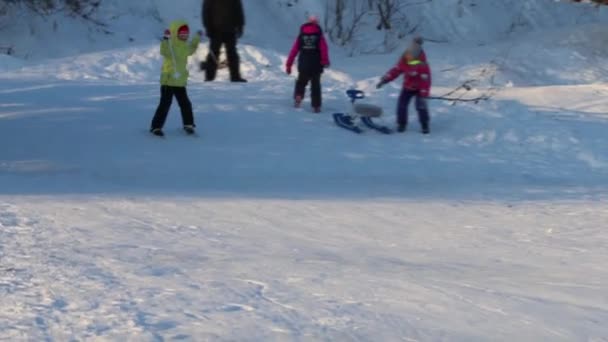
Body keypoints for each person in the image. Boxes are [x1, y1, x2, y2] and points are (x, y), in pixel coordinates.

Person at [150, 20, 201, 137]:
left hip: (180, 82)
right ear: (175, 33)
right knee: (165, 104)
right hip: (168, 81)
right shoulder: (170, 45)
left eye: (186, 35)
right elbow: (163, 51)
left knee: (185, 104)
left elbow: (192, 49)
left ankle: (188, 124)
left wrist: (197, 38)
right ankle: (156, 127)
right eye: (181, 34)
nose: (184, 36)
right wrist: (166, 39)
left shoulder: (184, 47)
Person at [376, 36, 432, 134]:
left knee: (420, 105)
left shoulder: (423, 65)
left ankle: (424, 124)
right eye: (409, 60)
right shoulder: (404, 60)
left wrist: (423, 94)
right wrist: (385, 79)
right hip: (408, 86)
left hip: (420, 88)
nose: (410, 63)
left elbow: (425, 81)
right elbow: (396, 71)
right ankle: (402, 123)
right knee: (402, 104)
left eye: (413, 61)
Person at [285, 15, 330, 113]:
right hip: (316, 65)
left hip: (303, 65)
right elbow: (324, 49)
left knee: (301, 83)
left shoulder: (301, 36)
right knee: (315, 86)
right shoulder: (319, 36)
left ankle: (298, 97)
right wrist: (325, 61)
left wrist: (289, 64)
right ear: (316, 23)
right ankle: (316, 106)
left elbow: (294, 51)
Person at [202, 0, 247, 82]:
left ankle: (235, 76)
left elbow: (238, 10)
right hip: (215, 30)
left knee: (232, 53)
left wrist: (240, 26)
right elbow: (206, 11)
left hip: (230, 29)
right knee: (214, 53)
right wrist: (208, 27)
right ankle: (209, 77)